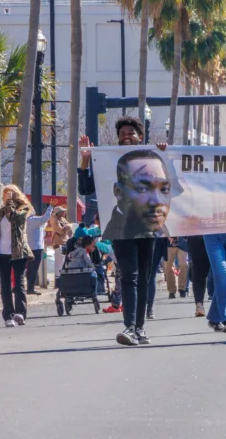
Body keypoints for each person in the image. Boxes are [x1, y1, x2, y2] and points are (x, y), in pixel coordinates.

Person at [79, 116, 167, 346]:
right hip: (121, 230)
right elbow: (85, 188)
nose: (126, 136)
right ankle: (129, 327)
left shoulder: (152, 157)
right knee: (129, 276)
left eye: (131, 133)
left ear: (140, 136)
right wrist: (85, 160)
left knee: (144, 278)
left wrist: (165, 153)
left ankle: (140, 328)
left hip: (148, 230)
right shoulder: (107, 159)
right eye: (122, 134)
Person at [102, 149, 172, 240]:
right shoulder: (116, 234)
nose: (157, 201)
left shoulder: (159, 228)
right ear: (118, 191)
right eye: (142, 189)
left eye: (164, 189)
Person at [0, 185, 35, 327]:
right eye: (5, 195)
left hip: (18, 251)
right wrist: (6, 206)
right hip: (2, 252)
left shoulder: (23, 209)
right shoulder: (1, 211)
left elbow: (15, 219)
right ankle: (8, 315)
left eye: (10, 194)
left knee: (18, 283)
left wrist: (10, 203)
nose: (7, 197)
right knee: (5, 284)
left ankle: (20, 313)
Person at [25, 202, 53, 295]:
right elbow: (45, 218)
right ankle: (30, 288)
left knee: (30, 268)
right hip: (36, 247)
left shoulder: (28, 221)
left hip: (30, 246)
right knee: (34, 268)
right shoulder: (33, 220)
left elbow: (43, 222)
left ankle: (29, 287)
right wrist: (50, 207)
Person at [187, 235, 211, 318]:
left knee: (218, 271)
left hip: (215, 235)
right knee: (198, 271)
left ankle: (220, 306)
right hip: (196, 236)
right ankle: (199, 305)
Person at [49, 206, 73, 281]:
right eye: (62, 211)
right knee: (59, 264)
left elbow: (70, 225)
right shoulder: (55, 220)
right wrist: (67, 227)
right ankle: (58, 280)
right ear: (58, 213)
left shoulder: (62, 218)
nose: (63, 212)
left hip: (64, 242)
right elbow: (60, 231)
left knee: (64, 262)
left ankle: (63, 278)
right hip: (58, 243)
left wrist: (66, 227)